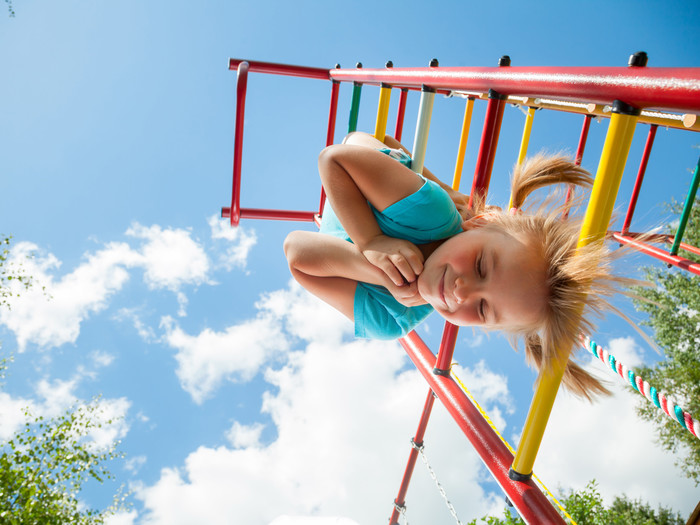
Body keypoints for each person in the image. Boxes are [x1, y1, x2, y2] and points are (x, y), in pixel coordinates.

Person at [284, 131, 629, 400]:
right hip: (375, 171)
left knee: (449, 205)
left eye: (481, 309)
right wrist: (373, 243)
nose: (463, 291)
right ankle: (449, 193)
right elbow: (334, 159)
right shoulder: (430, 213)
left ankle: (463, 203)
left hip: (349, 217)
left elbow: (296, 253)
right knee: (363, 142)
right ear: (479, 229)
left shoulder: (391, 320)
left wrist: (381, 273)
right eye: (481, 266)